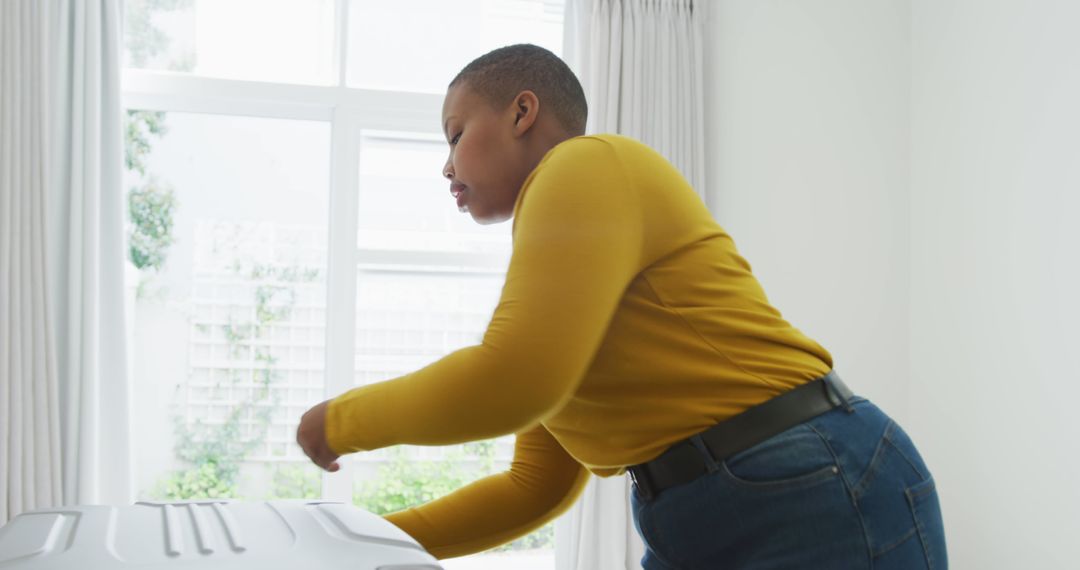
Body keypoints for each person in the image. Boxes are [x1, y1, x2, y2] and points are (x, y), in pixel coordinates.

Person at [297, 44, 947, 569]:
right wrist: (354, 544)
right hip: (699, 509)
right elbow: (535, 487)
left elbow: (512, 380)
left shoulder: (584, 165)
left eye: (456, 133)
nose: (446, 166)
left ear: (523, 112)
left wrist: (340, 422)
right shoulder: (570, 266)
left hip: (807, 484)